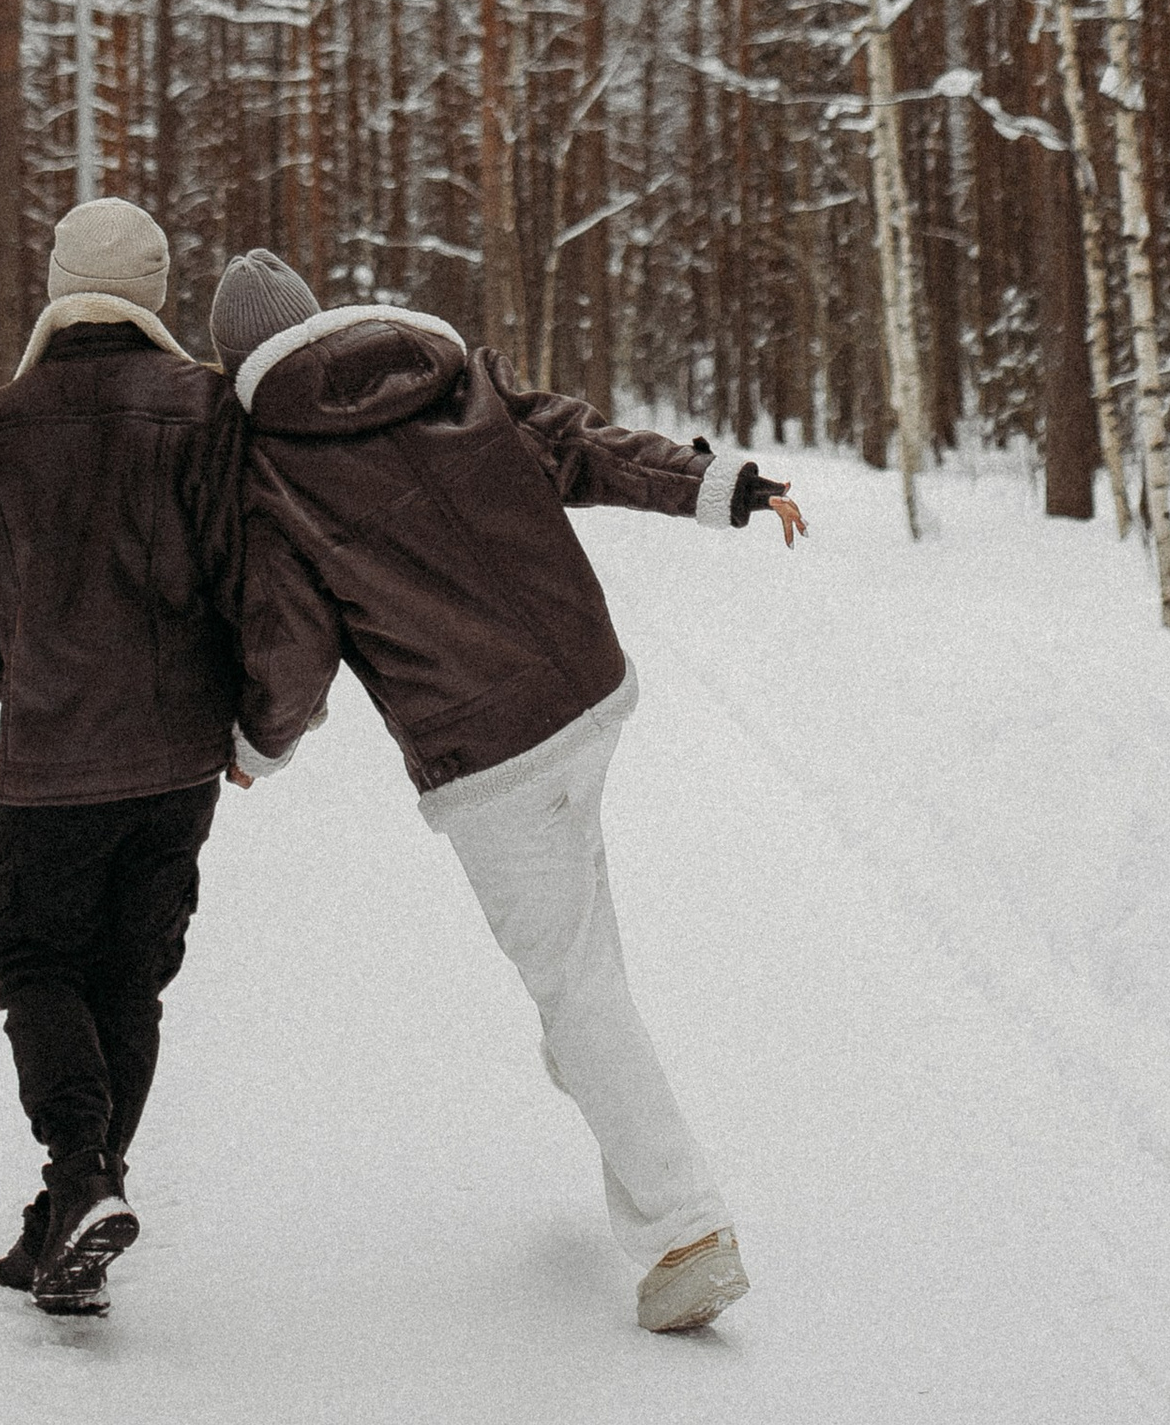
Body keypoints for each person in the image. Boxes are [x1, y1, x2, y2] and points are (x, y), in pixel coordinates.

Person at [209, 248, 804, 1336]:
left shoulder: (272, 468)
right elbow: (579, 444)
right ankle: (608, 1107)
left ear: (236, 364)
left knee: (576, 986)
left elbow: (291, 646)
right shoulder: (447, 374)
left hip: (490, 755)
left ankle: (685, 1230)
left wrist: (257, 745)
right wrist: (713, 484)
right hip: (586, 689)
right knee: (580, 958)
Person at [0, 197, 244, 1321]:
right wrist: (236, 709)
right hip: (179, 765)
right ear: (154, 288)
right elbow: (257, 585)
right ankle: (73, 1215)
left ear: (59, 281)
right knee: (128, 981)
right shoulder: (210, 419)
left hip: (51, 763)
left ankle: (81, 1183)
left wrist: (27, 677)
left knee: (36, 962)